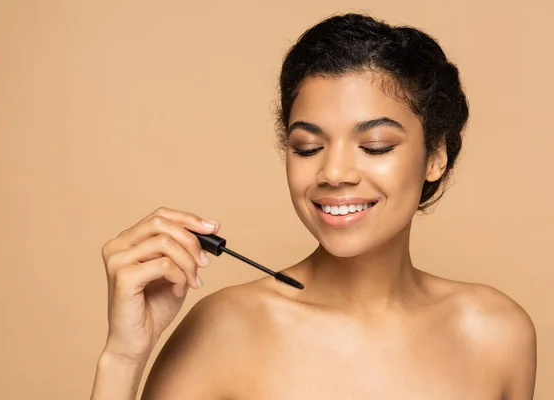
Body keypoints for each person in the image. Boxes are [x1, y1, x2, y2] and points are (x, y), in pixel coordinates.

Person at [90, 12, 537, 399]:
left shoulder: (497, 333)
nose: (334, 172)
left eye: (376, 145)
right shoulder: (225, 330)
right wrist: (123, 357)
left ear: (435, 156)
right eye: (307, 147)